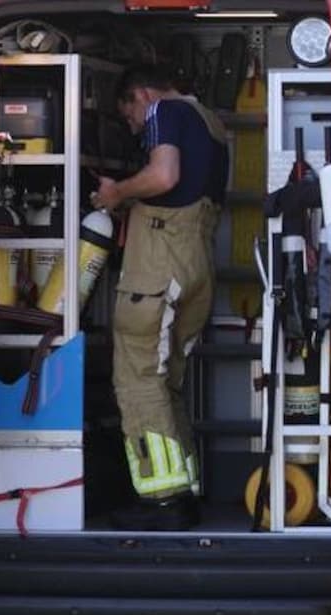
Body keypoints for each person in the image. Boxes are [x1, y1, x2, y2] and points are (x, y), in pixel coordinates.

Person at [93, 64, 229, 530]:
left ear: (140, 93)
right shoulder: (212, 123)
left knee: (137, 376)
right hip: (197, 263)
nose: (134, 126)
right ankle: (184, 488)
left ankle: (161, 500)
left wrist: (117, 193)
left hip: (161, 261)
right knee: (166, 379)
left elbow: (164, 174)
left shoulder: (162, 110)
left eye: (128, 115)